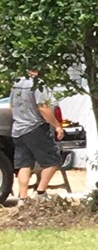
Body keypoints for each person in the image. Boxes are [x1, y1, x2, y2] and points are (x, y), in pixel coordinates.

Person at [12, 69, 64, 200]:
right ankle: (41, 192)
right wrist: (57, 126)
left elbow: (12, 107)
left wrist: (20, 119)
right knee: (53, 160)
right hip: (35, 128)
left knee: (24, 164)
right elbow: (43, 107)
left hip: (18, 129)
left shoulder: (17, 83)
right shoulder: (37, 84)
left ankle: (23, 198)